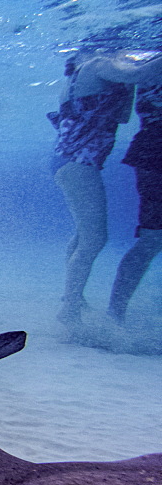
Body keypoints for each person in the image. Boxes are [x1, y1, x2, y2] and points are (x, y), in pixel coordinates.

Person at [49, 48, 162, 325]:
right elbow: (142, 74)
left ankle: (72, 299)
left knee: (82, 236)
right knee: (93, 240)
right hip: (79, 162)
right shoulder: (98, 64)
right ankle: (70, 310)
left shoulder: (80, 77)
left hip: (68, 160)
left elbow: (122, 114)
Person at [108, 82, 162, 323]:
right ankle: (115, 314)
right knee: (152, 239)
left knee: (151, 240)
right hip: (154, 149)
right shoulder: (152, 66)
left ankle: (115, 314)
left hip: (152, 147)